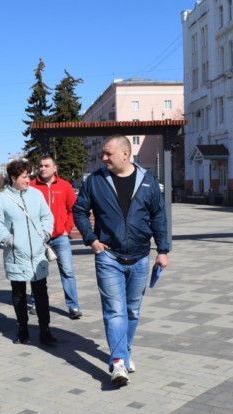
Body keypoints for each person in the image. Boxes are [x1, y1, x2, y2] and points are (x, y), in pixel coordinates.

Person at [73, 135, 169, 387]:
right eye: (103, 154)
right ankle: (118, 362)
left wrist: (162, 250)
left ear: (125, 154)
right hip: (109, 256)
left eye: (108, 154)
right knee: (115, 310)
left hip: (140, 257)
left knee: (132, 310)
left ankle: (125, 353)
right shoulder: (95, 181)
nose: (103, 158)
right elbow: (79, 210)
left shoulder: (148, 181)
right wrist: (91, 240)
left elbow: (159, 216)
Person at [0, 158, 57, 346]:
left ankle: (45, 330)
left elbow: (47, 216)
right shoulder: (2, 199)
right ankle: (22, 330)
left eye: (29, 176)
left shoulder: (36, 194)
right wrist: (10, 240)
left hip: (37, 253)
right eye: (24, 177)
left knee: (41, 293)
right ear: (13, 178)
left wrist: (45, 233)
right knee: (18, 293)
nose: (28, 180)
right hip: (16, 255)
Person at [30, 154, 82, 319]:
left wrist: (67, 229)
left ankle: (73, 306)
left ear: (55, 168)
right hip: (39, 238)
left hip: (60, 237)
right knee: (37, 272)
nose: (43, 168)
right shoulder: (32, 186)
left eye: (46, 166)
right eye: (41, 166)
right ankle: (36, 302)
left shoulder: (65, 186)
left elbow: (73, 209)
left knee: (67, 271)